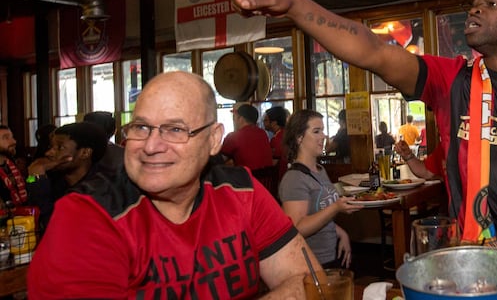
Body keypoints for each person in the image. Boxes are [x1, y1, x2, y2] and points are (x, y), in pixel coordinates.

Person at [207, 0, 497, 298]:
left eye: (490, 4)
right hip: (469, 273)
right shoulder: (453, 80)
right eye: (473, 4)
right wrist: (291, 4)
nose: (475, 10)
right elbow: (371, 50)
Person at [28, 71, 317, 298]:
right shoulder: (87, 216)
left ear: (214, 140)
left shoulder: (242, 190)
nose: (151, 145)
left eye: (175, 129)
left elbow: (311, 283)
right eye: (141, 127)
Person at [278, 110, 361, 268]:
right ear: (299, 137)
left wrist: (341, 232)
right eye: (316, 131)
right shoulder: (294, 178)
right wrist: (336, 208)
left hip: (330, 256)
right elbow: (297, 228)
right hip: (312, 264)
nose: (323, 136)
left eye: (322, 131)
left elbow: (317, 214)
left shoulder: (319, 170)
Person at [26, 122, 107, 231]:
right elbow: (34, 212)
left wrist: (37, 181)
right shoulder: (57, 182)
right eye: (51, 147)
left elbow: (53, 227)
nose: (49, 153)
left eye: (60, 147)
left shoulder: (97, 191)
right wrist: (33, 177)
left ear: (84, 153)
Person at [220, 103, 274, 174]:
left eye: (235, 117)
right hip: (267, 183)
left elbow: (220, 160)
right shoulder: (263, 133)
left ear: (241, 119)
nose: (234, 121)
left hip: (245, 182)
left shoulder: (234, 136)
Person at [0, 125, 27, 208]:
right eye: (6, 138)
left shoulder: (13, 165)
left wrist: (32, 176)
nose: (14, 141)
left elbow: (28, 182)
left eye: (12, 137)